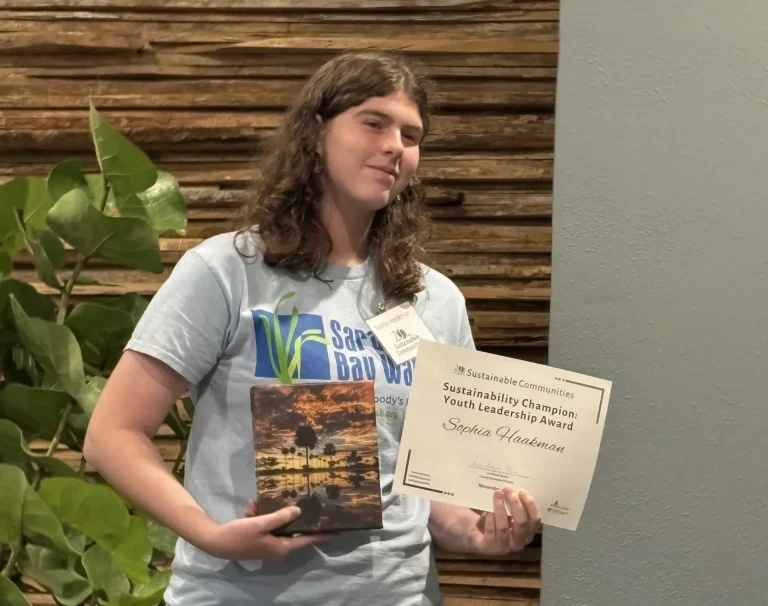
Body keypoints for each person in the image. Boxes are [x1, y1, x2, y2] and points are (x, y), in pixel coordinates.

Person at [84, 51, 541, 606]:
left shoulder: (435, 299)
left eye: (411, 134)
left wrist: (477, 532)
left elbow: (428, 488)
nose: (396, 145)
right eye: (374, 122)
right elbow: (112, 435)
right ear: (316, 133)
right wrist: (211, 535)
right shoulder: (226, 271)